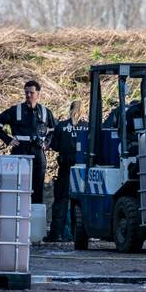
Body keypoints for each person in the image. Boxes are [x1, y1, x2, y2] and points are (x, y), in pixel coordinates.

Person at [0, 80, 56, 204]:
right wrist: (8, 140)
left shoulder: (45, 111)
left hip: (38, 153)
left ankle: (35, 218)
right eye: (26, 93)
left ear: (38, 94)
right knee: (17, 186)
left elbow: (53, 130)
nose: (28, 95)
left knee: (37, 189)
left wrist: (46, 144)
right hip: (20, 151)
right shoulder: (16, 110)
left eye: (31, 93)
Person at [46, 100, 87, 242]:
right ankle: (78, 234)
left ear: (70, 109)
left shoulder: (61, 126)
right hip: (82, 170)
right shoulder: (87, 127)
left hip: (65, 167)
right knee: (80, 200)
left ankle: (57, 233)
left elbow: (54, 146)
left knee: (61, 199)